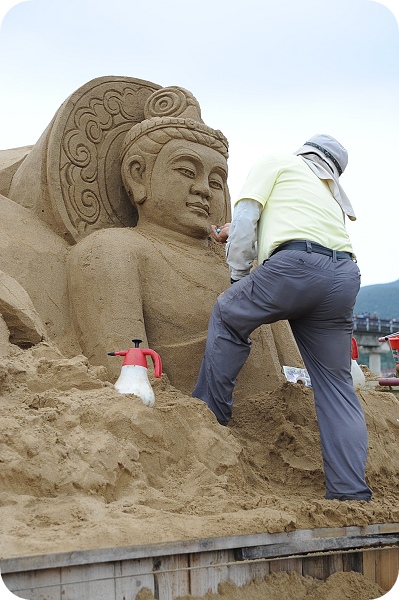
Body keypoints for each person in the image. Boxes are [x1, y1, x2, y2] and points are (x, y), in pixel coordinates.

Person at [193, 134, 373, 502]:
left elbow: (247, 218)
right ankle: (350, 491)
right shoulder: (326, 194)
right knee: (336, 387)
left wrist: (238, 277)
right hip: (343, 277)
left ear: (304, 152)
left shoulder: (276, 161)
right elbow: (298, 235)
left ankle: (209, 418)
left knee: (229, 314)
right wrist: (244, 235)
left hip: (296, 268)